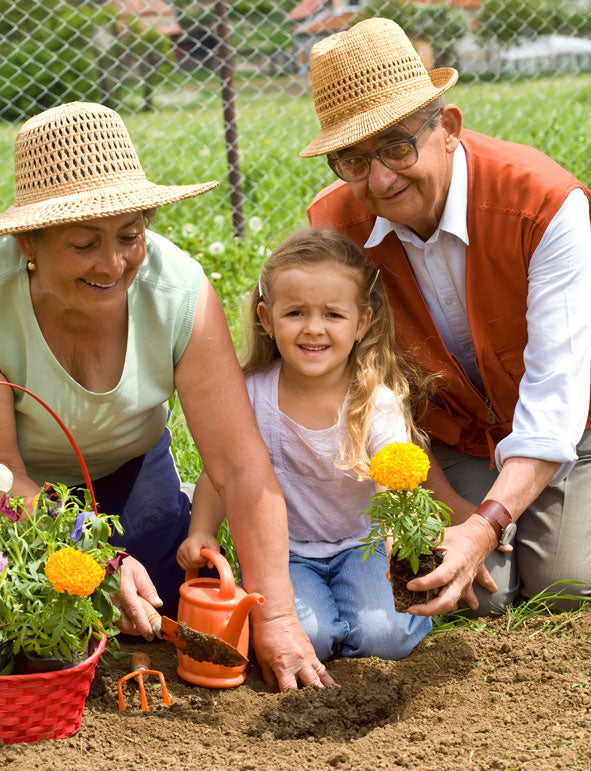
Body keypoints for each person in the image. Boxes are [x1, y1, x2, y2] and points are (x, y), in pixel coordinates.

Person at [0, 101, 333, 691]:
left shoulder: (177, 292)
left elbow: (240, 465)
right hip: (17, 496)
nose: (113, 263)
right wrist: (95, 559)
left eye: (130, 235)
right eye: (83, 244)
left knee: (157, 606)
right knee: (33, 629)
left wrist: (277, 616)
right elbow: (7, 472)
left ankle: (168, 510)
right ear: (30, 243)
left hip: (129, 471)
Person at [300, 18, 591, 617]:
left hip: (572, 429)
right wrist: (455, 512)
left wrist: (488, 526)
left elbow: (557, 394)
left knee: (569, 585)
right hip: (453, 439)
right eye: (353, 160)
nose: (380, 179)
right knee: (481, 596)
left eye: (397, 147)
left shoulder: (543, 204)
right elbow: (369, 388)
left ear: (449, 128)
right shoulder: (334, 231)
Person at [177, 227, 432, 661]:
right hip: (285, 553)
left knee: (386, 639)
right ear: (266, 319)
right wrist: (201, 528)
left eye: (333, 315)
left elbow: (395, 484)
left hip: (363, 546)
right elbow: (220, 472)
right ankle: (332, 627)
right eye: (295, 313)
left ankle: (356, 625)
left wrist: (396, 538)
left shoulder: (374, 400)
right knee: (308, 638)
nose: (314, 329)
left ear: (362, 323)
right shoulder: (252, 395)